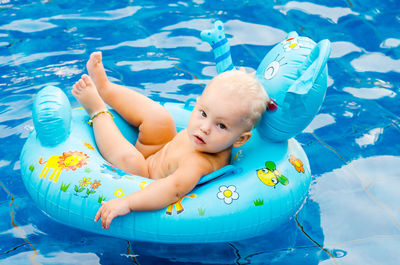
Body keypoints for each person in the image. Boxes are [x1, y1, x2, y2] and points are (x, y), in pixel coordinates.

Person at [72, 51, 269, 230]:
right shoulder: (207, 136)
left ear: (240, 139)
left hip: (145, 175)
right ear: (198, 103)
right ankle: (105, 87)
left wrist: (127, 203)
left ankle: (97, 110)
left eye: (221, 126)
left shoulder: (199, 163)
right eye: (203, 113)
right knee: (161, 119)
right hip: (159, 151)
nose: (205, 128)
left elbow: (172, 190)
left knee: (131, 161)